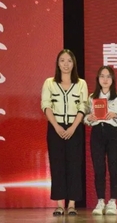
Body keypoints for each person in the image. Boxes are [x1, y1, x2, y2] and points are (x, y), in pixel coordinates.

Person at [40, 49, 88, 216]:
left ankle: (72, 204)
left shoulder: (81, 83)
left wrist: (73, 127)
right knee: (57, 165)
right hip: (56, 128)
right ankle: (60, 204)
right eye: (62, 60)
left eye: (69, 60)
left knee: (74, 165)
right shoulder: (49, 83)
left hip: (75, 127)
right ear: (58, 64)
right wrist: (57, 126)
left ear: (73, 63)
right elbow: (46, 105)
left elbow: (83, 106)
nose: (66, 64)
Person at [85, 66, 117, 216]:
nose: (105, 79)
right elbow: (85, 117)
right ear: (98, 79)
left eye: (108, 76)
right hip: (97, 133)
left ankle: (113, 202)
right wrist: (89, 118)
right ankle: (100, 201)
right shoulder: (91, 97)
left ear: (113, 79)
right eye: (102, 76)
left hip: (113, 133)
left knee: (114, 168)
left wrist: (115, 115)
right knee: (99, 168)